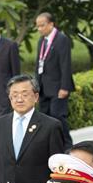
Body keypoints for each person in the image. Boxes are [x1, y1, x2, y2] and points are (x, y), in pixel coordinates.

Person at [34, 12, 74, 149]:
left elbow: (65, 64)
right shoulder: (41, 40)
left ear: (51, 24)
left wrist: (65, 87)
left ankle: (67, 144)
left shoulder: (61, 39)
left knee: (58, 116)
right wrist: (36, 88)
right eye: (37, 26)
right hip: (44, 86)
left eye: (42, 25)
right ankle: (50, 144)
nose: (39, 29)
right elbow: (38, 64)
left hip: (58, 86)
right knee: (44, 116)